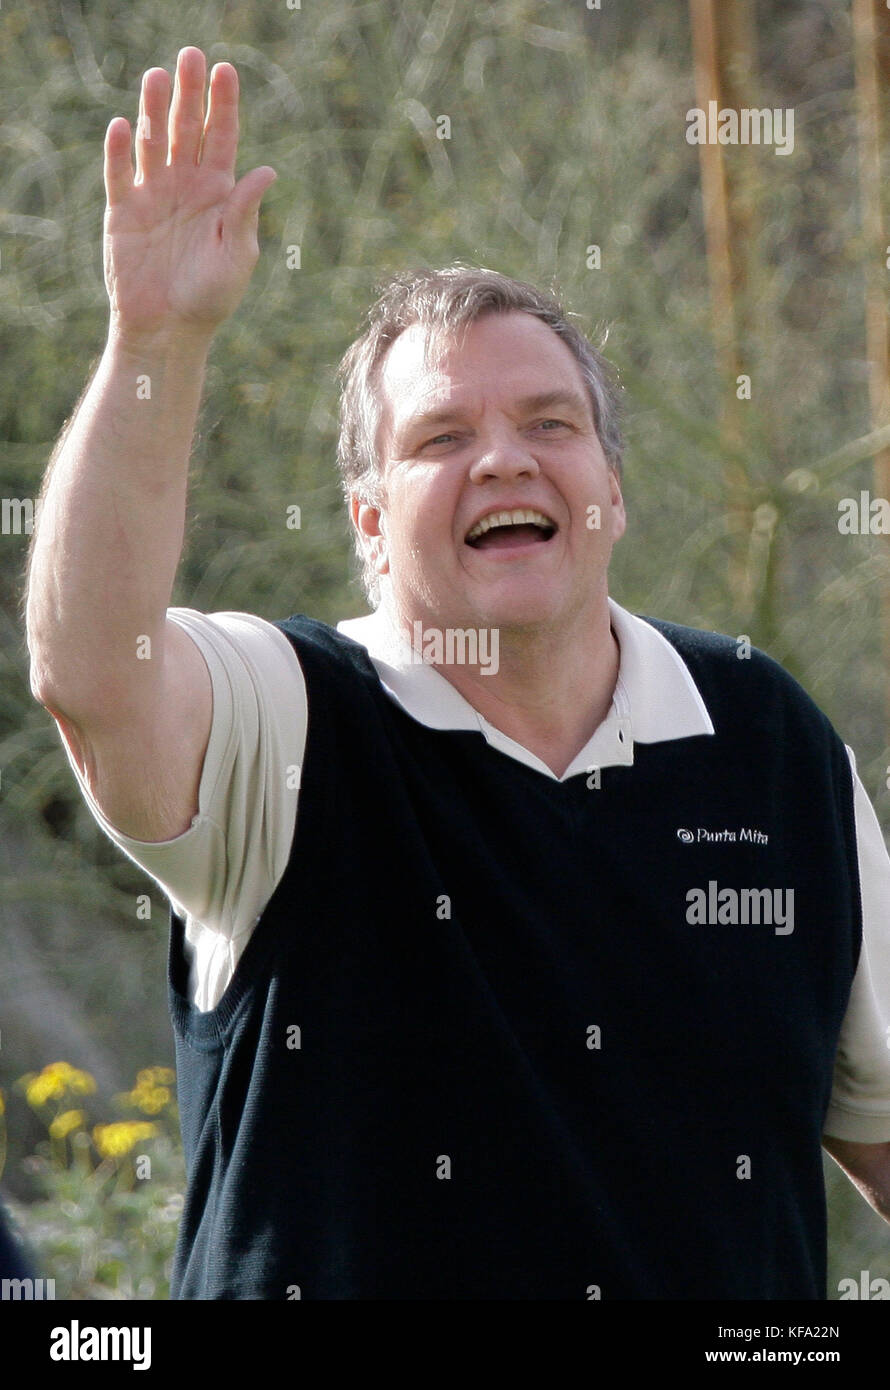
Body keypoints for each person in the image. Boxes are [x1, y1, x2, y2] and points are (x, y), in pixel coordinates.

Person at [25, 46, 890, 1300]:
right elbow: (96, 674)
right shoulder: (291, 719)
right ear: (368, 526)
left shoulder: (766, 738)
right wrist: (155, 340)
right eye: (440, 437)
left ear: (610, 489)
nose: (503, 459)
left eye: (550, 422)